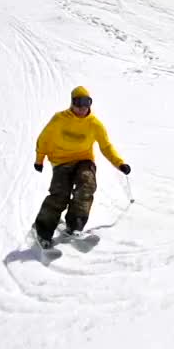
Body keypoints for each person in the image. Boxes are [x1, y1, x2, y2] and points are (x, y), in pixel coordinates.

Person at [30, 86, 131, 248]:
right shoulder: (59, 119)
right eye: (78, 103)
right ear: (72, 103)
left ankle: (75, 224)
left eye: (86, 103)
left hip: (84, 160)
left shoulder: (94, 124)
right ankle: (42, 229)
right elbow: (43, 139)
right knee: (60, 194)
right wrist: (39, 159)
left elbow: (106, 146)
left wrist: (119, 163)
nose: (82, 108)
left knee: (87, 184)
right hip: (61, 161)